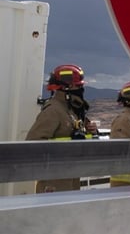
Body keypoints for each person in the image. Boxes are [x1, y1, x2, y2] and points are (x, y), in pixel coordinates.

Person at [26, 64, 98, 193]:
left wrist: (91, 131)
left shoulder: (71, 110)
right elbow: (33, 143)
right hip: (54, 182)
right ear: (67, 87)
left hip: (70, 176)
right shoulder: (53, 110)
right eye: (79, 86)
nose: (81, 89)